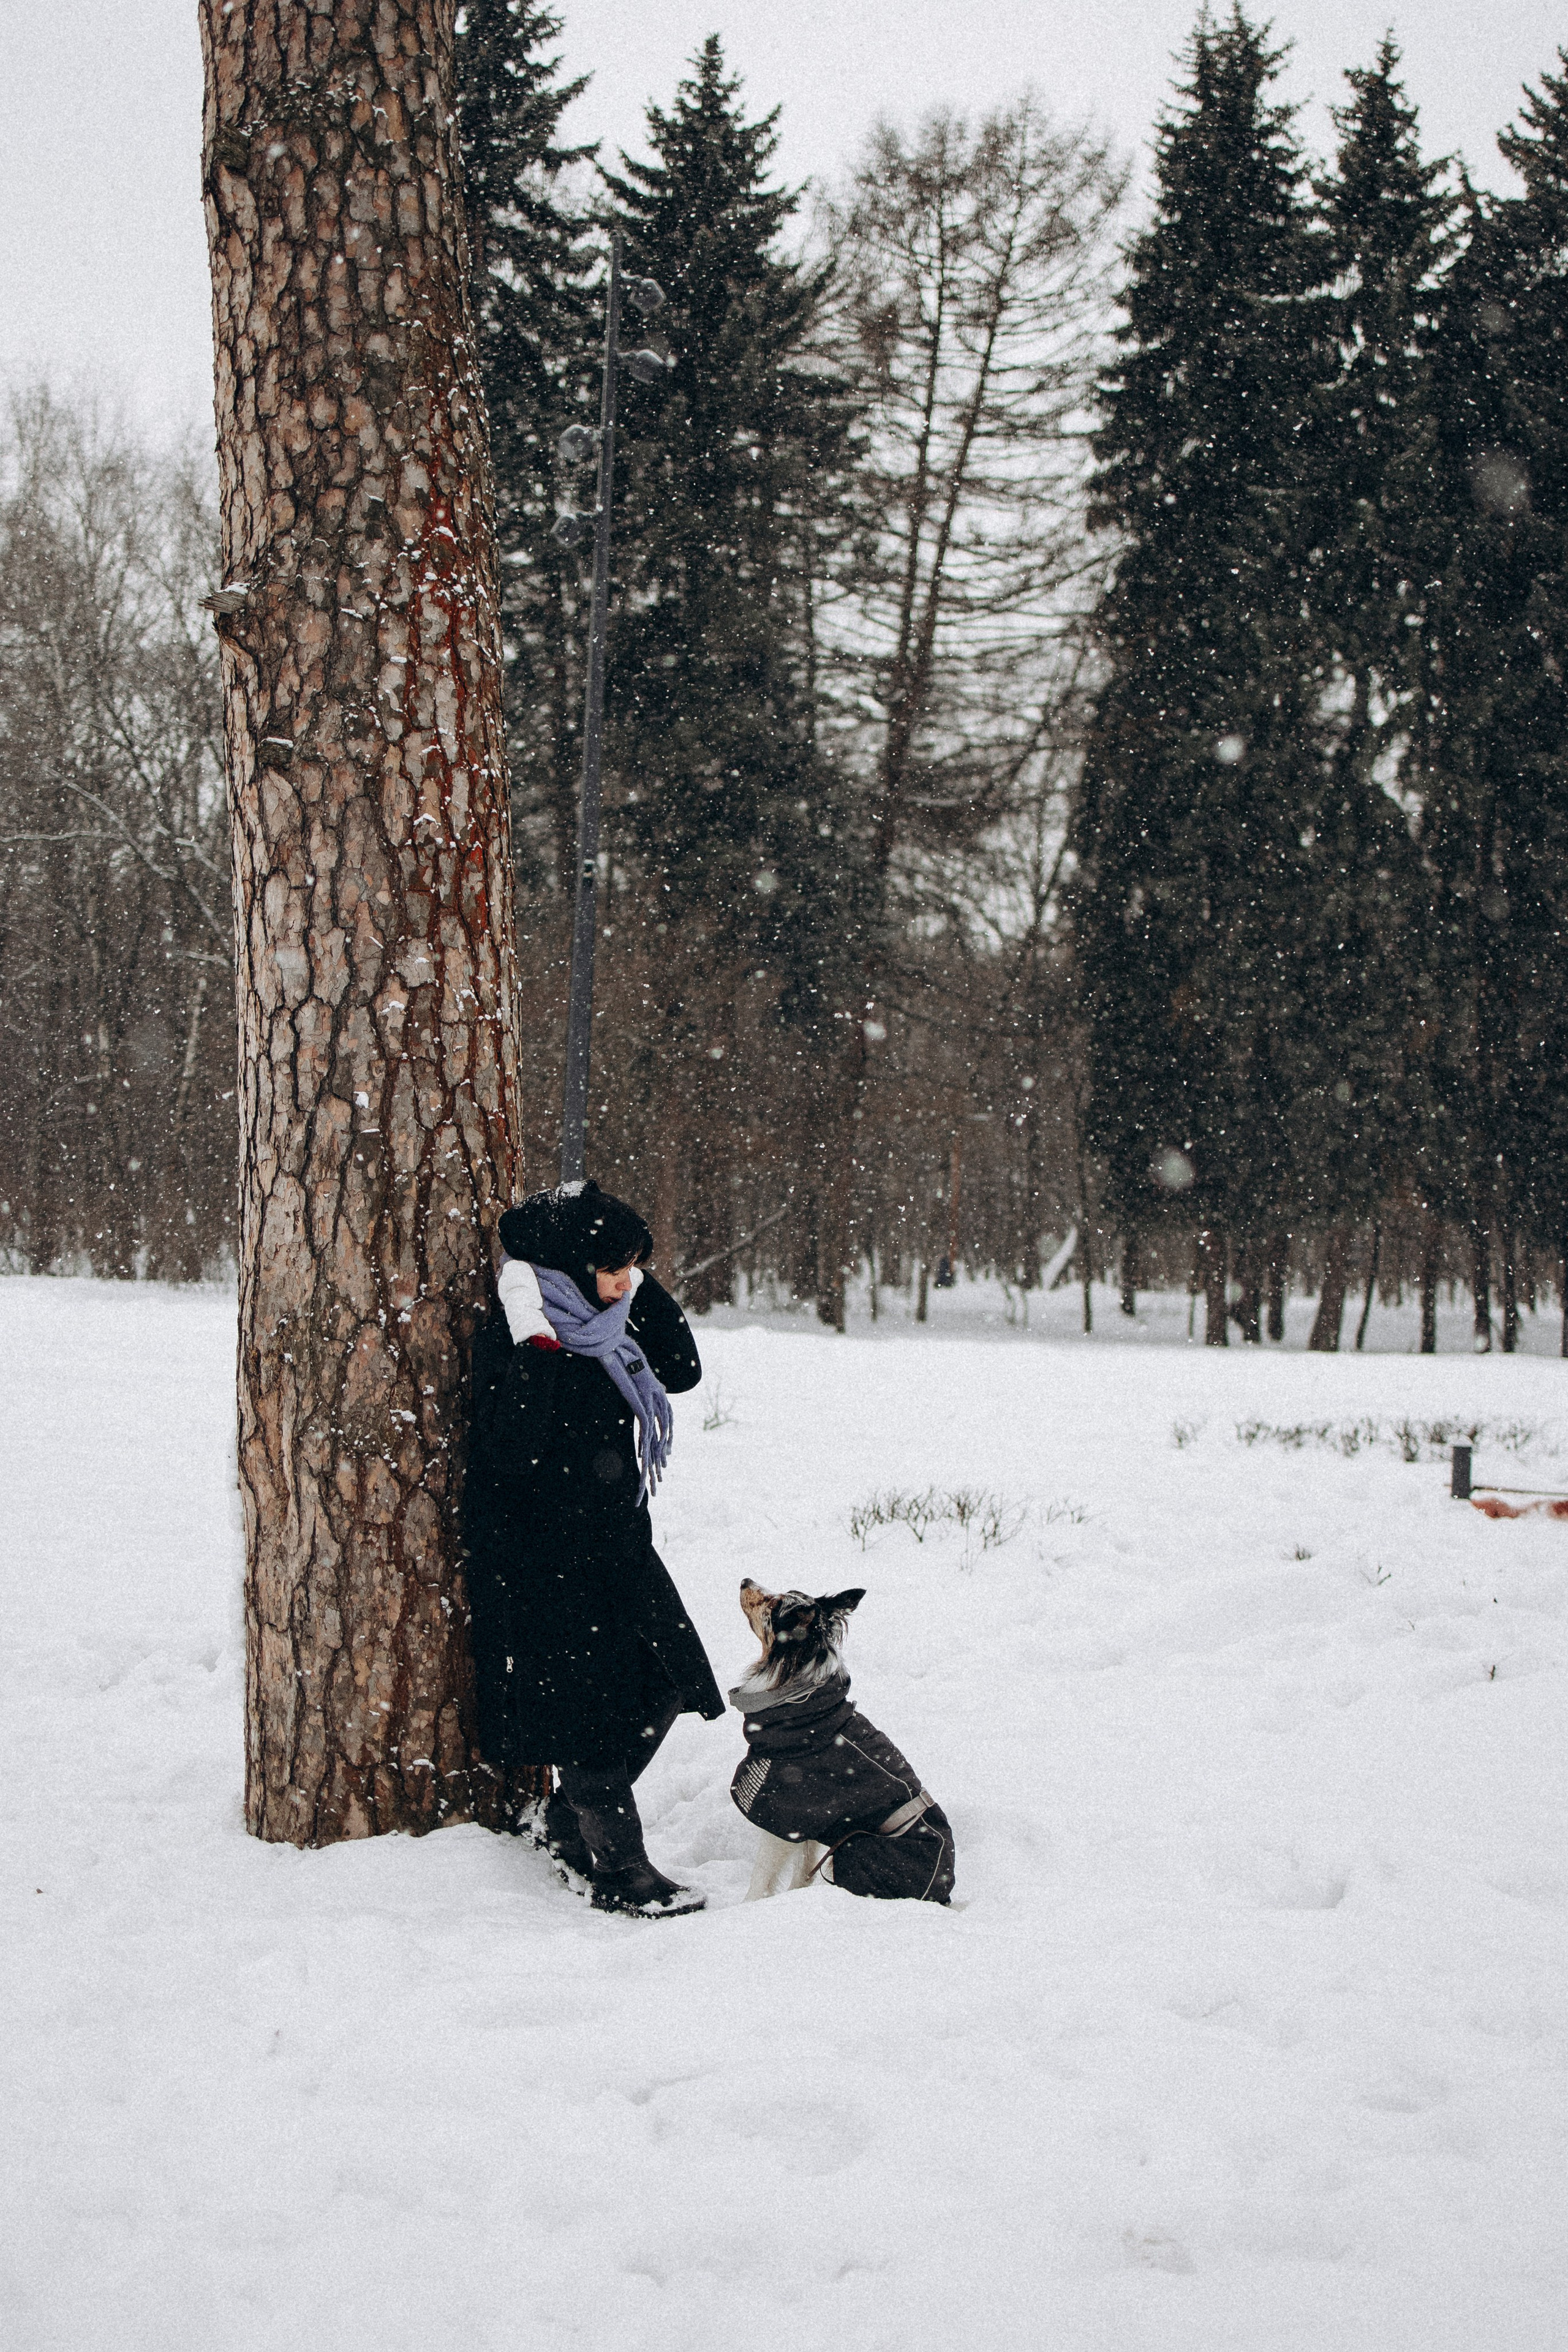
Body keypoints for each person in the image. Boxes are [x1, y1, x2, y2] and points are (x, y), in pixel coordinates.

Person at [465, 1179, 725, 1916]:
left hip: (618, 1543)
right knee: (585, 1715)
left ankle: (563, 1821)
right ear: (569, 1267)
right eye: (612, 1268)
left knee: (671, 1677)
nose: (624, 1282)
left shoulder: (611, 1323)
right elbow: (511, 1453)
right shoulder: (514, 1337)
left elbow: (681, 1371)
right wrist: (535, 1343)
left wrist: (634, 1280)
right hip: (543, 1558)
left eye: (632, 1266)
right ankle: (617, 1867)